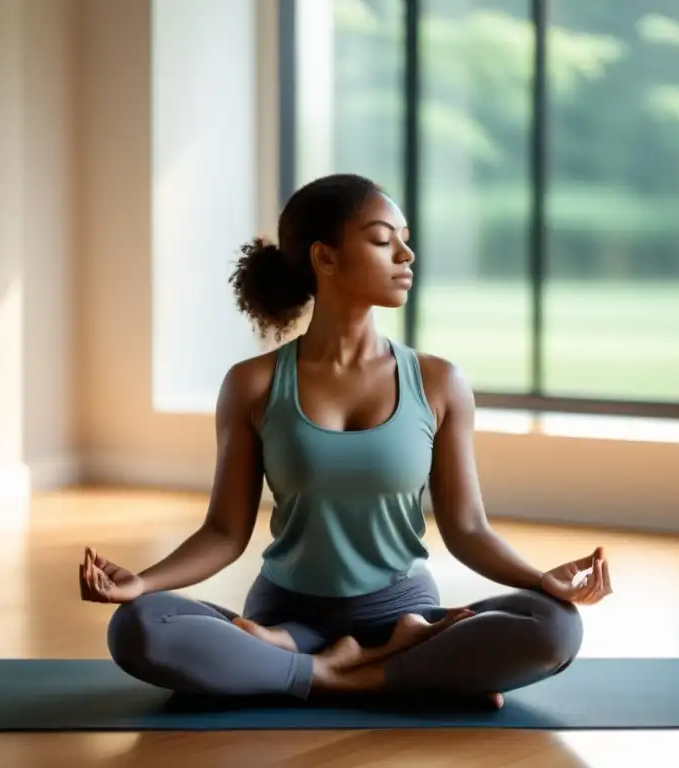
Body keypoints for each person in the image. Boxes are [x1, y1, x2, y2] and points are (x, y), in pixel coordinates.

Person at [79, 173, 613, 708]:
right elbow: (223, 531)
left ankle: (305, 671)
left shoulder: (438, 382)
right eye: (383, 240)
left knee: (554, 627)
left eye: (404, 238)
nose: (406, 254)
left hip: (403, 614)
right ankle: (387, 671)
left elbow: (468, 528)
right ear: (325, 259)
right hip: (286, 616)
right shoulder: (253, 384)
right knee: (139, 627)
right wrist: (141, 585)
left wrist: (543, 580)